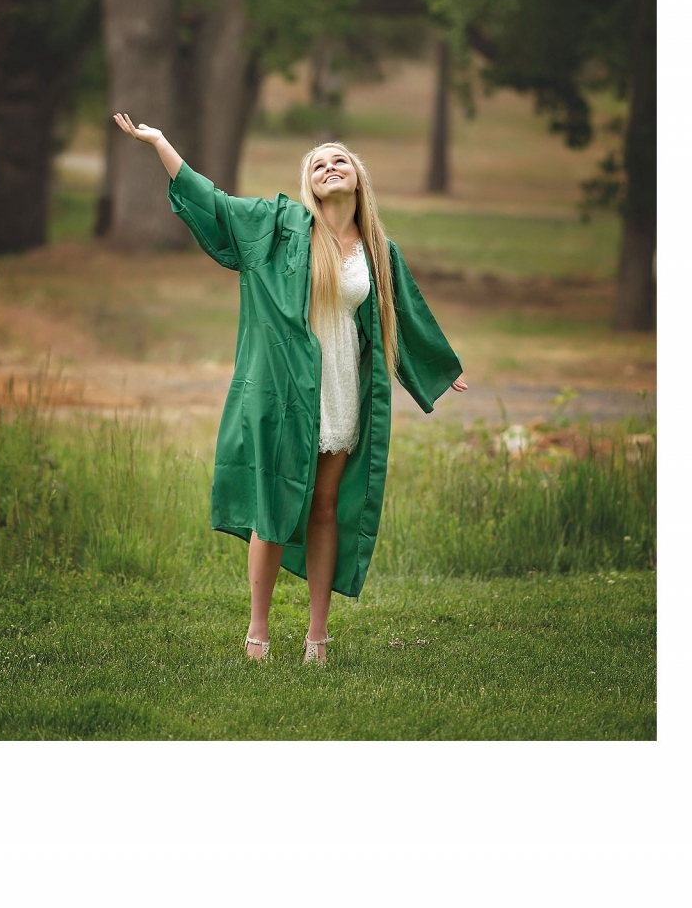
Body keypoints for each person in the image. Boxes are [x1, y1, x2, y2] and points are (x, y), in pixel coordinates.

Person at [113, 113, 468, 664]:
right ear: (310, 182)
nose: (329, 166)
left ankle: (317, 636)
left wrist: (440, 370)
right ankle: (258, 631)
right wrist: (160, 143)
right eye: (318, 163)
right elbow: (215, 202)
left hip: (341, 389)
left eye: (339, 159)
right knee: (274, 508)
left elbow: (405, 317)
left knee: (325, 507)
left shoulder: (377, 251)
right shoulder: (280, 228)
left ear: (358, 178)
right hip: (287, 391)